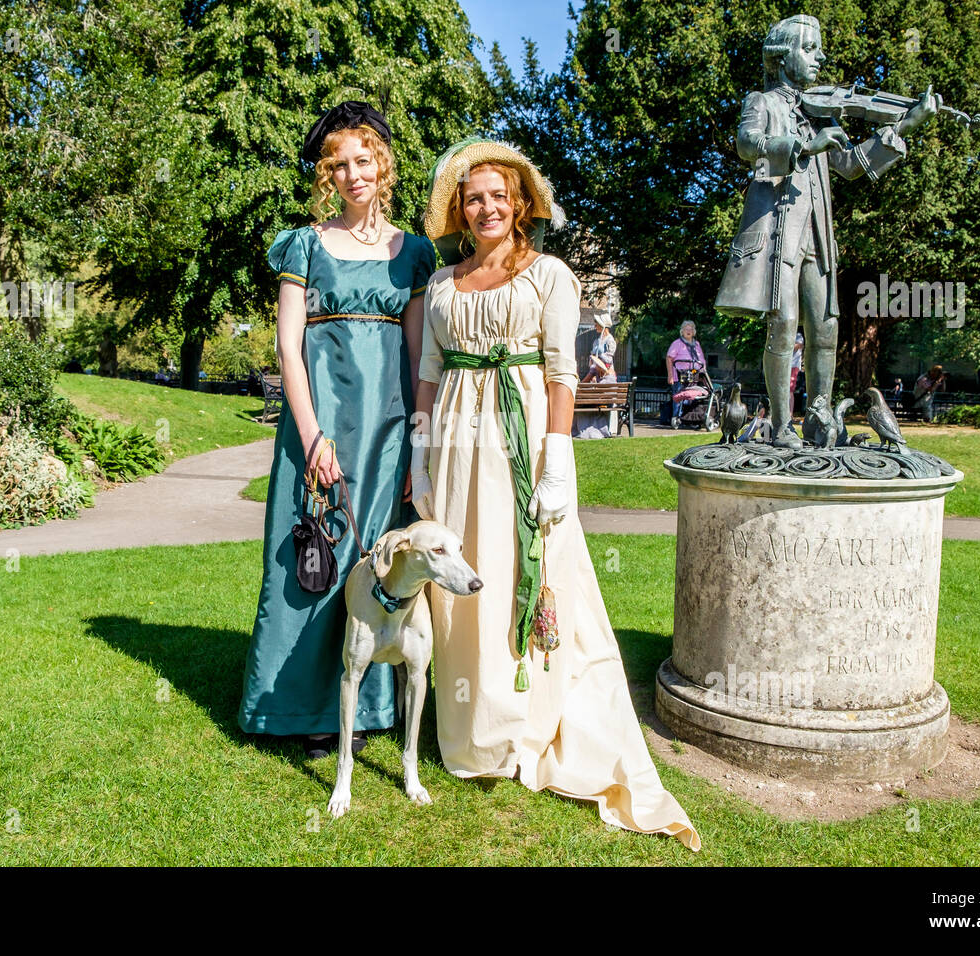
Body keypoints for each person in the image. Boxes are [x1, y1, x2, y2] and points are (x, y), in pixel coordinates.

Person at [411, 138, 701, 846]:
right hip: (452, 441)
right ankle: (469, 728)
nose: (486, 207)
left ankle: (525, 725)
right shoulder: (441, 286)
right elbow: (426, 368)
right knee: (460, 578)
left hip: (520, 438)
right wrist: (419, 452)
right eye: (473, 197)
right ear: (459, 207)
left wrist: (558, 459)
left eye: (498, 197)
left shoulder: (550, 274)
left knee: (523, 567)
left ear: (520, 206)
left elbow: (560, 373)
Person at [237, 102, 437, 759]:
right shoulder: (303, 245)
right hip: (317, 431)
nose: (354, 174)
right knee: (310, 563)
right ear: (328, 174)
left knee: (372, 561)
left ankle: (376, 702)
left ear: (384, 162)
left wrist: (420, 441)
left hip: (386, 439)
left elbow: (416, 357)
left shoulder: (413, 254)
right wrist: (311, 434)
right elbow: (289, 350)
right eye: (340, 164)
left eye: (364, 160)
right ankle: (302, 707)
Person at [714, 14, 940, 448]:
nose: (819, 58)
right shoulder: (763, 102)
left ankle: (819, 418)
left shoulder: (818, 113)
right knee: (783, 326)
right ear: (781, 58)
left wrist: (906, 125)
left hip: (818, 238)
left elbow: (853, 165)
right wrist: (800, 146)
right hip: (779, 237)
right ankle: (781, 427)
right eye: (810, 49)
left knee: (826, 330)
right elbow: (749, 147)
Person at [572, 313, 617, 438]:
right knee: (586, 397)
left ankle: (589, 429)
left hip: (605, 377)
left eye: (597, 323)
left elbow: (607, 361)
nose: (595, 325)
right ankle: (587, 428)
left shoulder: (610, 341)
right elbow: (593, 365)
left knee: (587, 398)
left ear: (603, 325)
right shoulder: (596, 341)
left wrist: (596, 361)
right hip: (597, 377)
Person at [666, 320, 707, 427]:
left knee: (693, 398)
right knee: (679, 397)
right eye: (686, 329)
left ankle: (690, 420)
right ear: (682, 331)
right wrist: (670, 375)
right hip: (680, 376)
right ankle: (677, 419)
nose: (688, 331)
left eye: (691, 329)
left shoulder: (697, 344)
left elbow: (702, 360)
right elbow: (669, 358)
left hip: (694, 376)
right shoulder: (677, 344)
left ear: (694, 332)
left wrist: (703, 374)